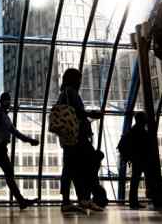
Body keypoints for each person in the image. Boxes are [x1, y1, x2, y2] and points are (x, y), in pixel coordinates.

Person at [57, 68, 103, 213]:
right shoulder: (72, 92)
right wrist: (92, 114)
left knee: (70, 167)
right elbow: (78, 112)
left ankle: (69, 201)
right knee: (90, 162)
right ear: (73, 79)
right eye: (79, 78)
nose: (80, 81)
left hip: (68, 137)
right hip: (78, 136)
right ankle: (84, 199)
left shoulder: (62, 94)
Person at [126, 112, 153, 210]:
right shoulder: (140, 130)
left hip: (136, 158)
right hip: (140, 158)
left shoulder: (133, 129)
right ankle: (134, 202)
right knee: (136, 180)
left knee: (135, 180)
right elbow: (145, 145)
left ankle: (133, 202)